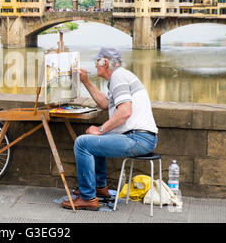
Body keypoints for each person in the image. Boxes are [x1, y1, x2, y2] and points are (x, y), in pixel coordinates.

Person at [61, 47, 158, 211]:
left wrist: (101, 129)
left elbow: (125, 112)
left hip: (138, 138)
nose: (95, 65)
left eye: (96, 62)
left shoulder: (119, 76)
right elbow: (106, 104)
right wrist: (86, 81)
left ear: (104, 62)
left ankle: (87, 198)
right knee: (93, 142)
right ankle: (99, 188)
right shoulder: (120, 76)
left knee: (82, 143)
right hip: (140, 137)